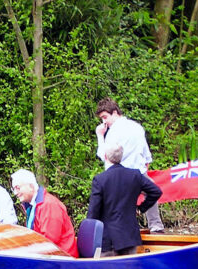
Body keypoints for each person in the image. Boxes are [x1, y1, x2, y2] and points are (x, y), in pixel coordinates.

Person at [94, 97, 164, 233]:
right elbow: (146, 155)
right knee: (152, 190)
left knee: (113, 203)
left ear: (114, 113)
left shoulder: (113, 132)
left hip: (119, 176)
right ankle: (156, 226)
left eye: (105, 117)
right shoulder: (136, 127)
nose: (104, 121)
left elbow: (104, 155)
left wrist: (99, 135)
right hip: (138, 173)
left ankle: (116, 231)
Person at [87, 145, 162, 256]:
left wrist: (88, 235)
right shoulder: (135, 175)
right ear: (121, 157)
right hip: (129, 237)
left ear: (106, 157)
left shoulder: (100, 179)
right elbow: (156, 191)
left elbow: (93, 211)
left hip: (108, 239)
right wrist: (141, 208)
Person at [10, 169, 79, 258]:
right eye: (13, 189)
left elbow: (49, 242)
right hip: (48, 257)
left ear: (31, 186)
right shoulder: (32, 205)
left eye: (18, 188)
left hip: (62, 260)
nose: (15, 193)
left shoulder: (49, 205)